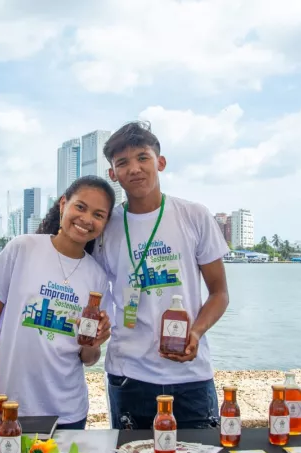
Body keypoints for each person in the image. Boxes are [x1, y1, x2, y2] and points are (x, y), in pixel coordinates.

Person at [92, 121, 230, 430]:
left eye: (143, 157)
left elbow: (219, 293)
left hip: (190, 374)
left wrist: (196, 333)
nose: (134, 169)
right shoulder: (107, 226)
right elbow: (93, 292)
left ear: (161, 162)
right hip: (128, 374)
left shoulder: (193, 215)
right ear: (113, 174)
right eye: (122, 163)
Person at [0, 176, 115, 430]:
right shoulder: (22, 248)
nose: (86, 219)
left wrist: (94, 343)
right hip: (9, 402)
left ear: (105, 224)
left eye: (98, 215)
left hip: (67, 410)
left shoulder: (97, 276)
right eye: (80, 207)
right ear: (63, 204)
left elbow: (88, 358)